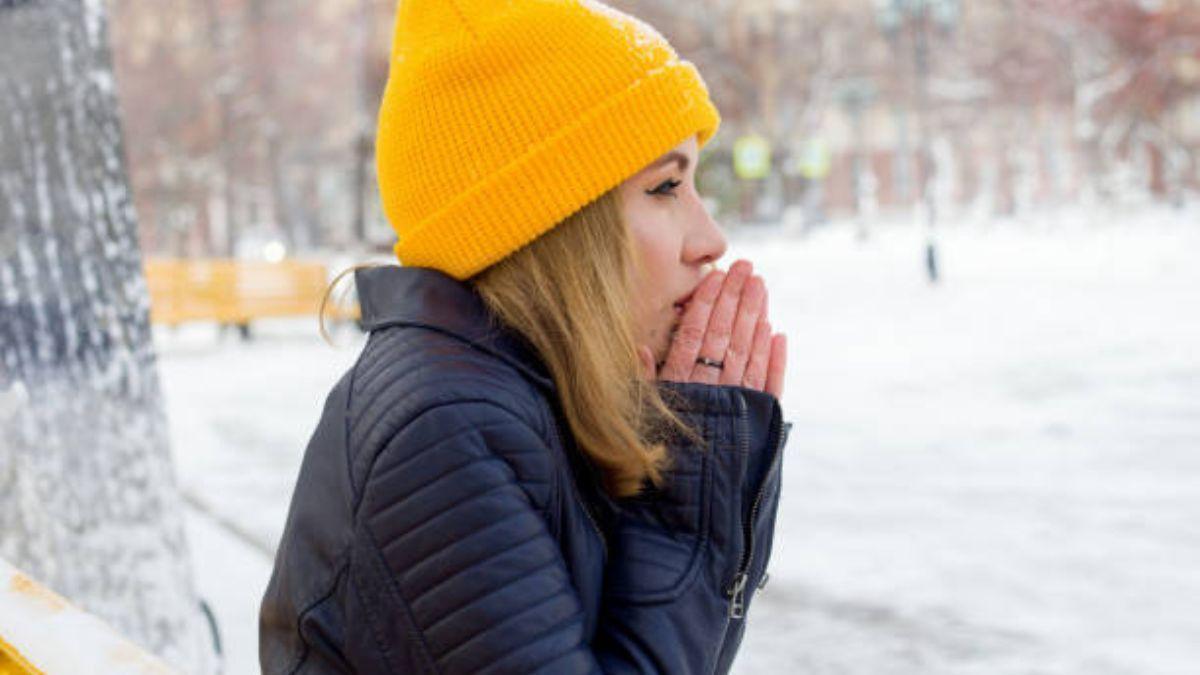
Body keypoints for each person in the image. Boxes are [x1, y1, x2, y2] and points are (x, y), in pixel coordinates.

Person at [259, 0, 792, 672]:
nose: (710, 240)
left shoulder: (512, 394)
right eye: (665, 187)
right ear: (553, 226)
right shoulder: (448, 430)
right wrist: (690, 511)